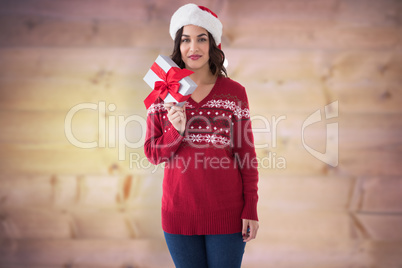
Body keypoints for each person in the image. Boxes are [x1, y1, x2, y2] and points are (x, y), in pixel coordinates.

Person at [144, 3, 259, 268]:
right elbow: (151, 154)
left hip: (228, 214)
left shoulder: (234, 92)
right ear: (178, 45)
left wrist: (250, 207)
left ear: (213, 45)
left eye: (201, 39)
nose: (193, 48)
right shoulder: (163, 92)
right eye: (186, 40)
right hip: (178, 215)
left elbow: (246, 155)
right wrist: (176, 131)